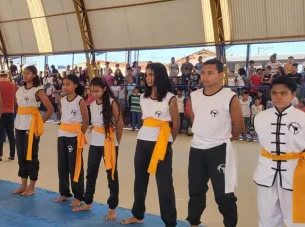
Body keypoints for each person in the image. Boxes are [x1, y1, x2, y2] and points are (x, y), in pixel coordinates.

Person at [186, 59, 243, 227]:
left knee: (224, 194)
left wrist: (222, 139)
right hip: (196, 149)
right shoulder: (194, 96)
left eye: (210, 73)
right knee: (195, 191)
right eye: (203, 73)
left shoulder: (229, 96)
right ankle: (194, 223)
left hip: (219, 149)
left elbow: (238, 125)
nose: (205, 77)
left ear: (220, 75)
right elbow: (194, 119)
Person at [121, 63, 179, 226]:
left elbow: (176, 125)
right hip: (143, 142)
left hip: (161, 145)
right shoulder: (142, 97)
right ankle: (138, 214)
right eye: (146, 74)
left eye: (151, 74)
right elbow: (144, 120)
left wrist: (167, 143)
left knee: (164, 184)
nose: (147, 78)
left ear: (160, 76)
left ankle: (170, 222)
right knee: (140, 180)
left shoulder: (170, 98)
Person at [253, 76, 305, 226]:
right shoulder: (260, 118)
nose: (278, 97)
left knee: (295, 217)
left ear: (293, 95)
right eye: (275, 93)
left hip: (295, 173)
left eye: (283, 93)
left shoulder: (302, 118)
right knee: (267, 215)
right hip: (266, 173)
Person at [72, 77, 122, 221]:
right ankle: (88, 202)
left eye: (97, 91)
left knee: (111, 175)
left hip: (109, 143)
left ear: (104, 89)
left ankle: (112, 208)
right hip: (95, 141)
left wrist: (117, 142)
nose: (94, 93)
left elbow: (119, 123)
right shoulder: (92, 104)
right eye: (92, 91)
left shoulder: (112, 103)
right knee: (91, 172)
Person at [12, 65, 54, 196]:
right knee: (21, 156)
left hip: (31, 128)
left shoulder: (38, 90)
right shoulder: (19, 90)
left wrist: (39, 123)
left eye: (28, 73)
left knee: (31, 156)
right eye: (24, 73)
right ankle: (23, 185)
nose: (25, 75)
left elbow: (50, 109)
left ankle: (32, 187)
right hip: (19, 126)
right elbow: (17, 106)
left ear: (34, 75)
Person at [53, 74, 89, 207]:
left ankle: (79, 195)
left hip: (74, 136)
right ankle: (64, 193)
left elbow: (86, 121)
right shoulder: (62, 100)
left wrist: (80, 135)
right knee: (62, 165)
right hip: (62, 134)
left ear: (75, 85)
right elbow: (63, 117)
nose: (65, 87)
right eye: (64, 84)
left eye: (68, 84)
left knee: (75, 166)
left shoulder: (80, 101)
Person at [0, 71, 17, 161]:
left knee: (0, 135)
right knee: (11, 134)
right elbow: (15, 100)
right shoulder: (13, 86)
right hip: (10, 112)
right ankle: (12, 155)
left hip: (0, 113)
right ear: (7, 76)